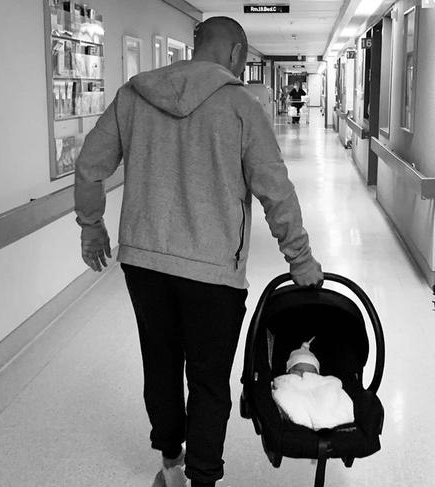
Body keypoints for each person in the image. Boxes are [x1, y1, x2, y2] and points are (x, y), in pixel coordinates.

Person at [74, 16, 323, 487]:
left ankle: (171, 466)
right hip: (213, 273)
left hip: (144, 263)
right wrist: (301, 260)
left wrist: (92, 227)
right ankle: (203, 479)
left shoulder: (133, 96)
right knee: (208, 381)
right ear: (235, 54)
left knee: (160, 364)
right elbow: (276, 190)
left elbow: (90, 165)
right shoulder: (241, 106)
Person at [271, 339, 354, 431]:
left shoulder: (324, 383)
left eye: (310, 372)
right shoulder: (286, 381)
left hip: (322, 403)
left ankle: (331, 420)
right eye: (299, 370)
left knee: (330, 394)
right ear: (289, 371)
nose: (305, 375)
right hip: (297, 402)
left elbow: (332, 392)